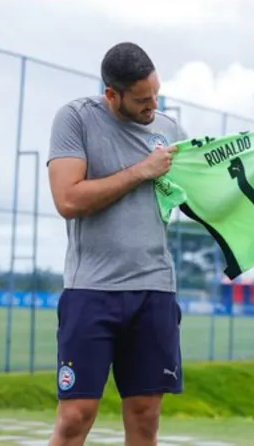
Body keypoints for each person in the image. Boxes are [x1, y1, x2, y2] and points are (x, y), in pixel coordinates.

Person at [47, 42, 187, 446]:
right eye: (142, 100)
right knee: (76, 416)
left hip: (155, 291)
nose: (152, 107)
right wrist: (142, 171)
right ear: (112, 94)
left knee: (145, 418)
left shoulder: (170, 131)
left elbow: (206, 190)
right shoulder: (75, 119)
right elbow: (68, 200)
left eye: (156, 96)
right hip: (91, 290)